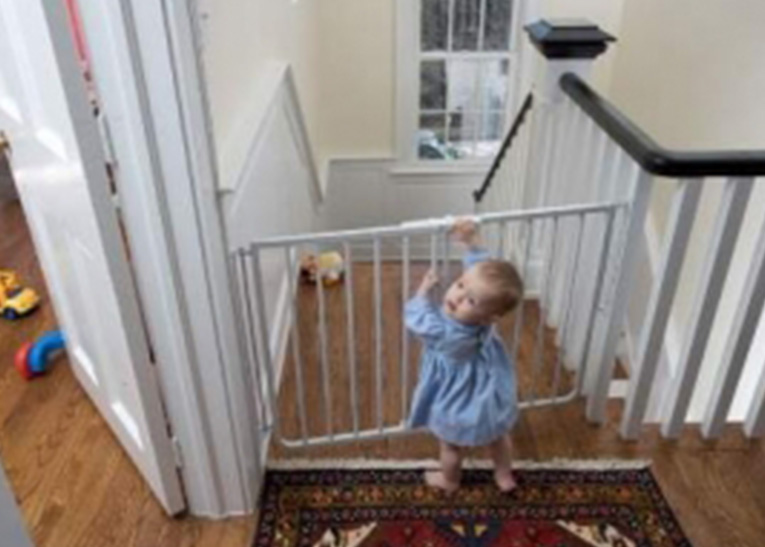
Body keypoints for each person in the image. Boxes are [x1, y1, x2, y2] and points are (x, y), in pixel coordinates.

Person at [406, 218, 523, 493]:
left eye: (470, 300)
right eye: (459, 285)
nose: (457, 297)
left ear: (489, 315)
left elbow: (417, 319)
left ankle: (450, 480)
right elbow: (479, 274)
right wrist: (472, 243)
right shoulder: (485, 321)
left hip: (455, 395)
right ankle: (503, 475)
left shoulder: (444, 334)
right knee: (498, 435)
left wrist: (422, 291)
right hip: (488, 387)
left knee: (450, 444)